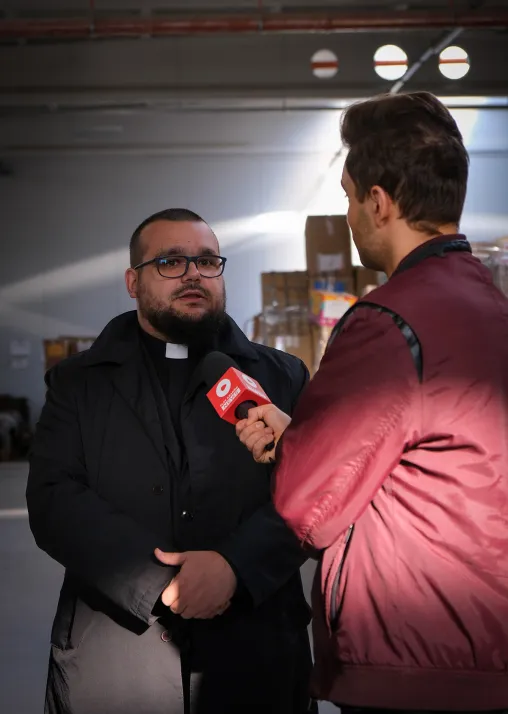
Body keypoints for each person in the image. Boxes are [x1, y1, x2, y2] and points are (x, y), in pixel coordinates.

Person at [236, 92, 508, 713]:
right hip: (485, 647)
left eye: (350, 196)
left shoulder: (387, 322)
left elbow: (307, 503)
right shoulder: (493, 309)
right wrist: (306, 431)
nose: (350, 216)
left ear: (378, 202)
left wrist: (295, 442)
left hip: (411, 658)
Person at [27, 208, 315, 714]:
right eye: (170, 262)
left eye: (207, 261)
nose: (193, 274)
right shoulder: (78, 383)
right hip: (116, 655)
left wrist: (234, 568)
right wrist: (160, 583)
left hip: (256, 648)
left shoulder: (282, 376)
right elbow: (55, 501)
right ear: (132, 282)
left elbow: (312, 495)